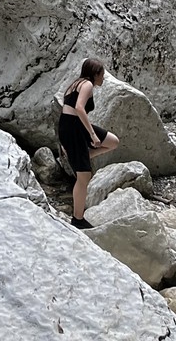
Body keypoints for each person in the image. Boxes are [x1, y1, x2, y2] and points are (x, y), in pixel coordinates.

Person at [58, 56, 119, 228]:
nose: (103, 78)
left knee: (113, 141)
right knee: (84, 176)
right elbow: (79, 107)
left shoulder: (75, 84)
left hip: (71, 125)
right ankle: (77, 219)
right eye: (102, 74)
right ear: (95, 74)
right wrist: (92, 134)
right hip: (73, 127)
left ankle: (80, 155)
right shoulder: (87, 85)